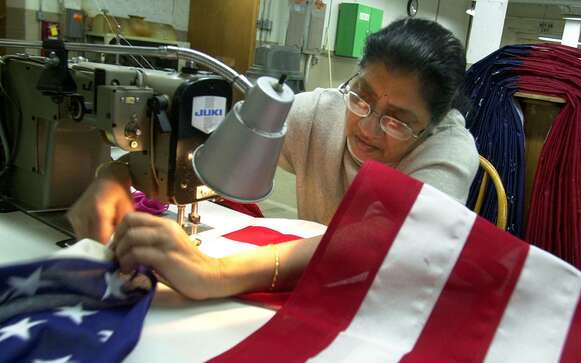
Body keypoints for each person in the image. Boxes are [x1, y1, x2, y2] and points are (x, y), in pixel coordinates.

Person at [67, 18, 479, 299]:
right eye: (363, 98)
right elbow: (211, 142)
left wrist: (215, 274)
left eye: (396, 122)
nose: (368, 128)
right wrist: (116, 172)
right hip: (315, 285)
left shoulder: (449, 152)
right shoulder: (324, 111)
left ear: (433, 123)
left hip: (384, 303)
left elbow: (384, 242)